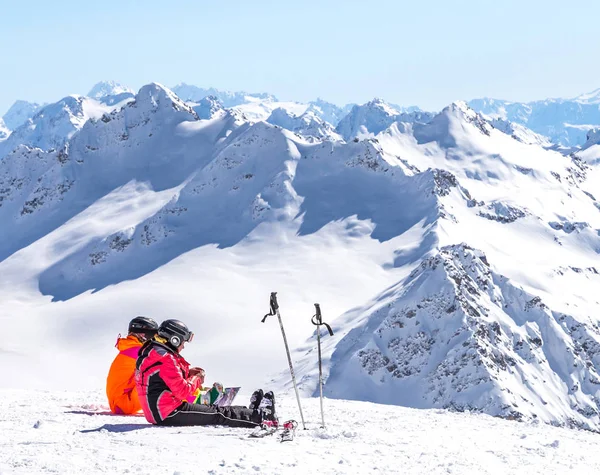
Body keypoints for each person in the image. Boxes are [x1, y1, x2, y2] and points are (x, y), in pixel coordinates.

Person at [135, 319, 276, 427]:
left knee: (214, 409)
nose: (183, 346)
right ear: (174, 339)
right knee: (218, 414)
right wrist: (196, 378)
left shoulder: (154, 352)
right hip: (168, 412)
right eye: (183, 342)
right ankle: (262, 417)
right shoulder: (166, 358)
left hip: (160, 411)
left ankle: (251, 412)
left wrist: (188, 372)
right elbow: (183, 391)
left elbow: (163, 378)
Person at [106, 316, 159, 414]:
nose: (154, 340)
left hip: (120, 402)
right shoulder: (137, 351)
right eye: (152, 336)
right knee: (161, 377)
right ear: (143, 334)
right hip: (124, 403)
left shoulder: (131, 348)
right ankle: (187, 403)